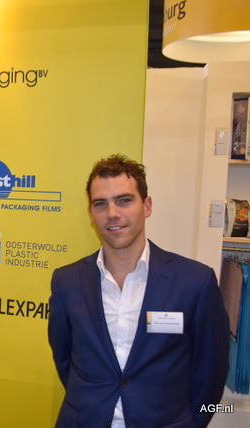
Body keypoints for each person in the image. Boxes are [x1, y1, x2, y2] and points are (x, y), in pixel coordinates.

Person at [48, 154, 229, 428]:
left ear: (147, 206)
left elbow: (211, 372)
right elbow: (65, 361)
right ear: (91, 214)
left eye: (124, 200)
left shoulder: (195, 281)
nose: (112, 213)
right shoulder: (67, 281)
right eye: (101, 203)